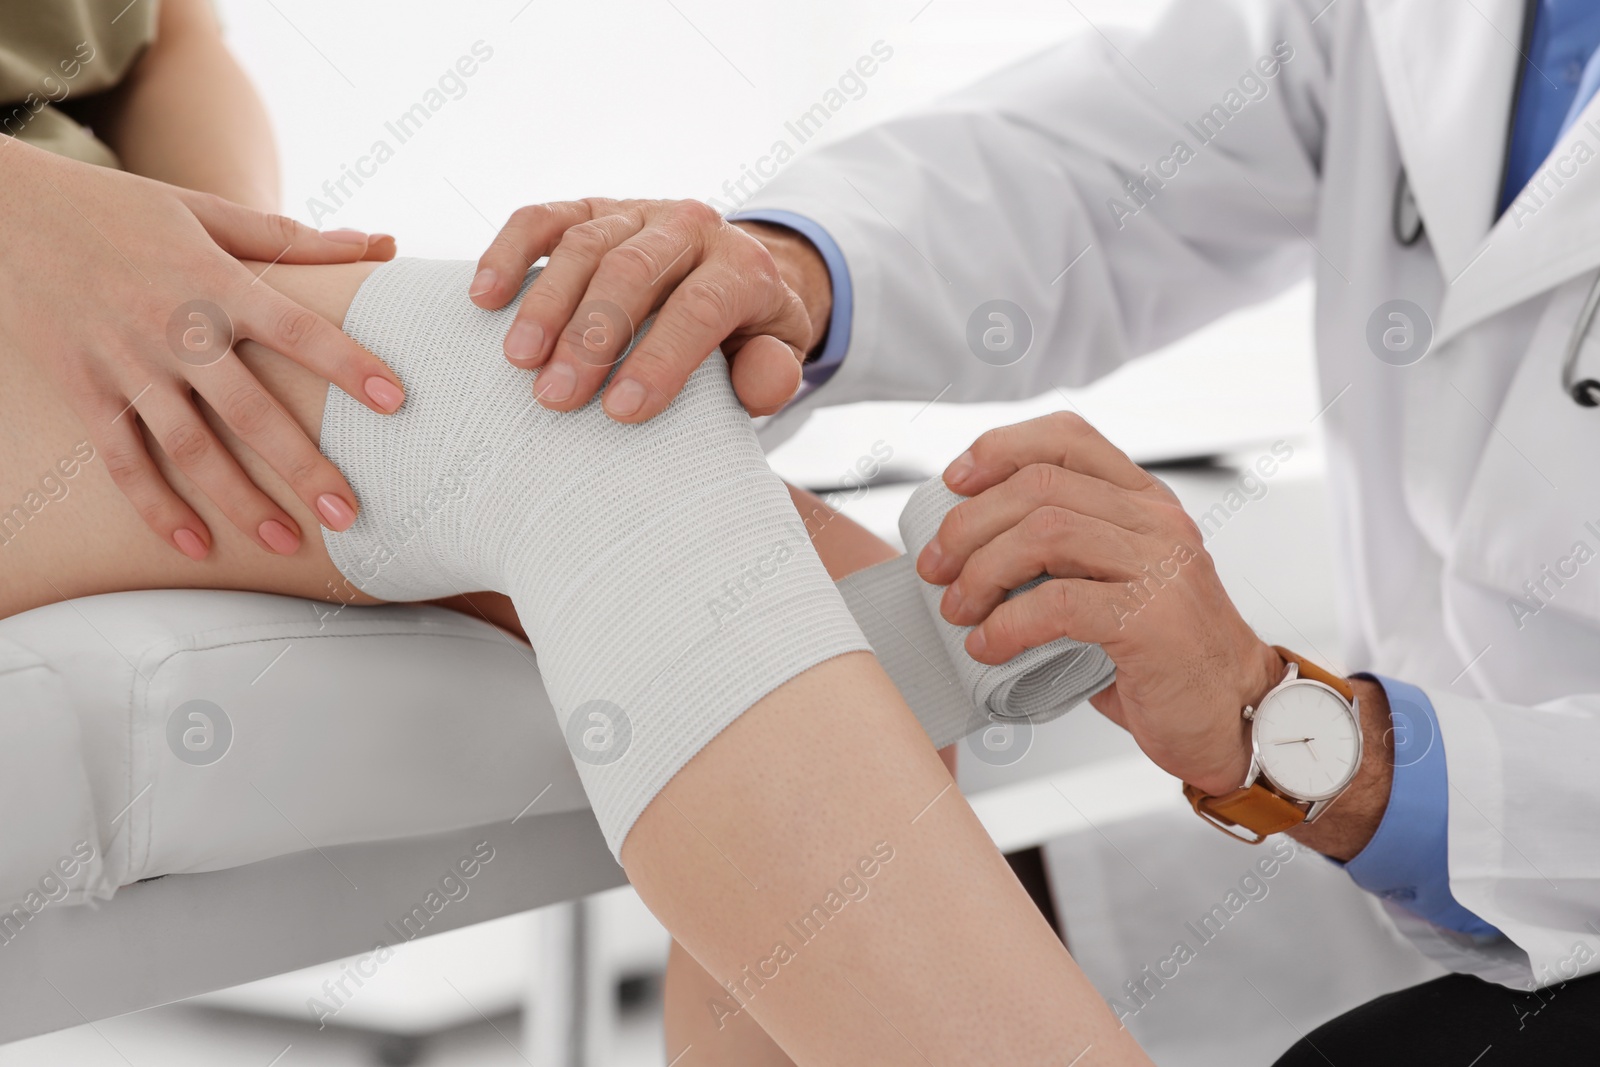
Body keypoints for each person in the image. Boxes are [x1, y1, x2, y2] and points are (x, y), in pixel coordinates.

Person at [470, 0, 1600, 1061]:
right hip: (1429, 812)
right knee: (815, 957)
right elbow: (1105, 162)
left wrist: (1304, 735)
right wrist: (793, 271)